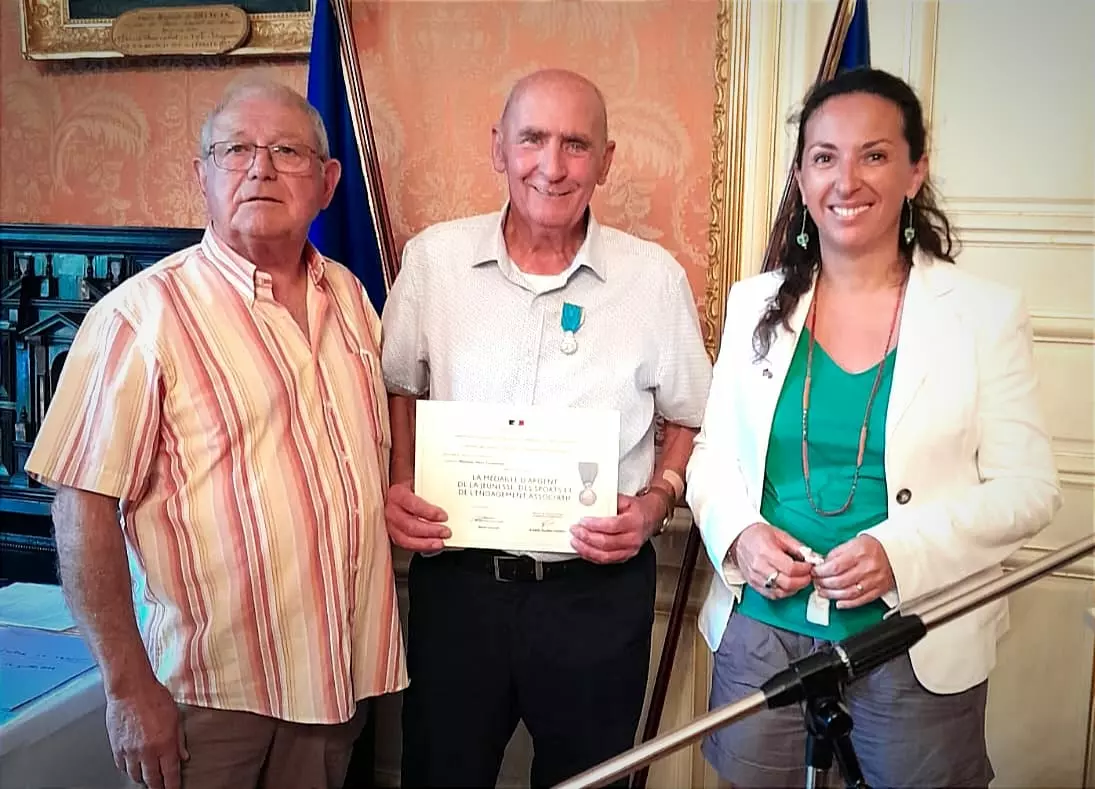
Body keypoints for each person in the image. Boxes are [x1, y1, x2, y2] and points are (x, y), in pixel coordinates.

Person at [24, 78, 406, 789]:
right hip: (207, 697)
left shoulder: (351, 298)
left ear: (327, 183)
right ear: (201, 175)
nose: (260, 167)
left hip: (334, 682)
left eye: (286, 150)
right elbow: (81, 508)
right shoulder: (140, 318)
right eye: (236, 149)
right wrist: (127, 688)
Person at [686, 67, 1061, 789]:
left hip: (912, 637)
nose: (845, 178)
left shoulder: (982, 313)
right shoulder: (752, 302)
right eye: (824, 156)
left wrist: (899, 551)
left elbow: (1030, 490)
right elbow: (710, 458)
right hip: (761, 630)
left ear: (915, 171)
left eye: (875, 154)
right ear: (800, 176)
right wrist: (738, 532)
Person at [380, 68, 712, 788]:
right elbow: (400, 381)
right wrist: (402, 478)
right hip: (458, 587)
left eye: (575, 144)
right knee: (440, 774)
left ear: (607, 159)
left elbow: (691, 411)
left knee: (588, 779)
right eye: (531, 139)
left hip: (595, 595)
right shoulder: (433, 260)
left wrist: (656, 502)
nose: (552, 166)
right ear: (497, 146)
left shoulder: (653, 279)